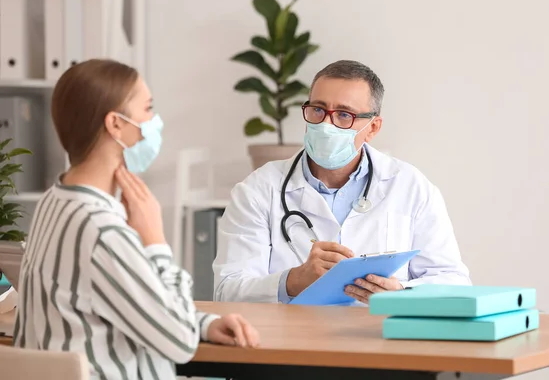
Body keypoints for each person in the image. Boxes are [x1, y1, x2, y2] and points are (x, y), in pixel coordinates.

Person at [13, 59, 259, 380]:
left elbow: (131, 302)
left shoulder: (55, 200)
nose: (154, 121)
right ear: (116, 124)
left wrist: (204, 323)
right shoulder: (102, 231)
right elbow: (179, 342)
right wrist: (155, 240)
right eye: (148, 109)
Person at [213, 59, 471, 304]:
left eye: (344, 115)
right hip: (290, 342)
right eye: (318, 110)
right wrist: (292, 281)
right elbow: (227, 291)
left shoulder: (411, 187)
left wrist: (401, 292)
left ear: (372, 128)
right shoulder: (257, 190)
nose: (326, 124)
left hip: (381, 340)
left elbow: (455, 282)